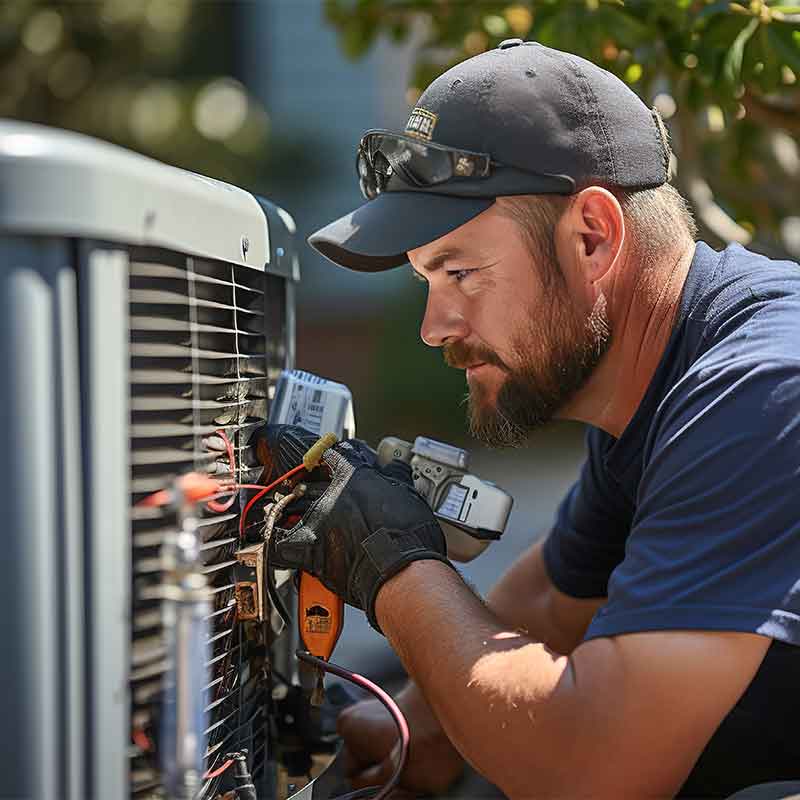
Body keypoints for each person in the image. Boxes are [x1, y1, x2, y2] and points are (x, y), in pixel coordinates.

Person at [261, 41, 800, 798]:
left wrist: (394, 566)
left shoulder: (766, 388)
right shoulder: (658, 387)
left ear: (593, 236)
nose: (434, 326)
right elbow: (551, 604)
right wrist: (405, 732)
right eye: (425, 279)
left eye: (461, 272)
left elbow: (593, 772)